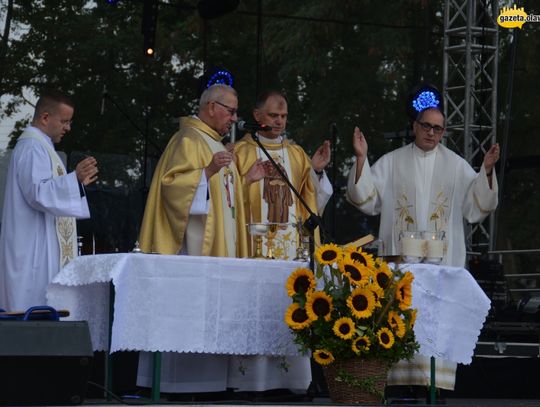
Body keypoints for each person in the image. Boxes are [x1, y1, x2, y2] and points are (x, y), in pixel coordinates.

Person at [346, 106, 500, 392]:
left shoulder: (456, 165)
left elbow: (475, 207)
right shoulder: (391, 162)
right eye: (426, 126)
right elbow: (366, 199)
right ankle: (398, 388)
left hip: (441, 270)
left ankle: (434, 389)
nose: (431, 132)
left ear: (443, 132)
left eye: (438, 128)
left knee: (435, 337)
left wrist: (487, 172)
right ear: (415, 126)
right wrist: (361, 157)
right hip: (400, 270)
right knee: (400, 332)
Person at [137, 84, 266, 394]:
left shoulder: (214, 143)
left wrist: (242, 178)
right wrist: (206, 171)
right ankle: (176, 385)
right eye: (231, 111)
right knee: (188, 312)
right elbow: (171, 187)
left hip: (216, 251)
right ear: (212, 107)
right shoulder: (188, 139)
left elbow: (227, 202)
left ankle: (208, 384)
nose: (235, 119)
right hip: (191, 251)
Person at [0, 90, 98, 311]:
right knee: (30, 306)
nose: (68, 128)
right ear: (45, 118)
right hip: (31, 247)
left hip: (39, 240)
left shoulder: (43, 147)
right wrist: (74, 180)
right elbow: (37, 192)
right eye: (64, 121)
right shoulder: (32, 147)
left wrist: (75, 182)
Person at [234, 89, 333, 260]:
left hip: (293, 248)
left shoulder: (297, 154)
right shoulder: (239, 153)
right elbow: (226, 200)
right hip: (253, 246)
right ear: (257, 115)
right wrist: (246, 181)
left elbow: (310, 201)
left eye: (284, 116)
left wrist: (315, 171)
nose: (279, 121)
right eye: (273, 115)